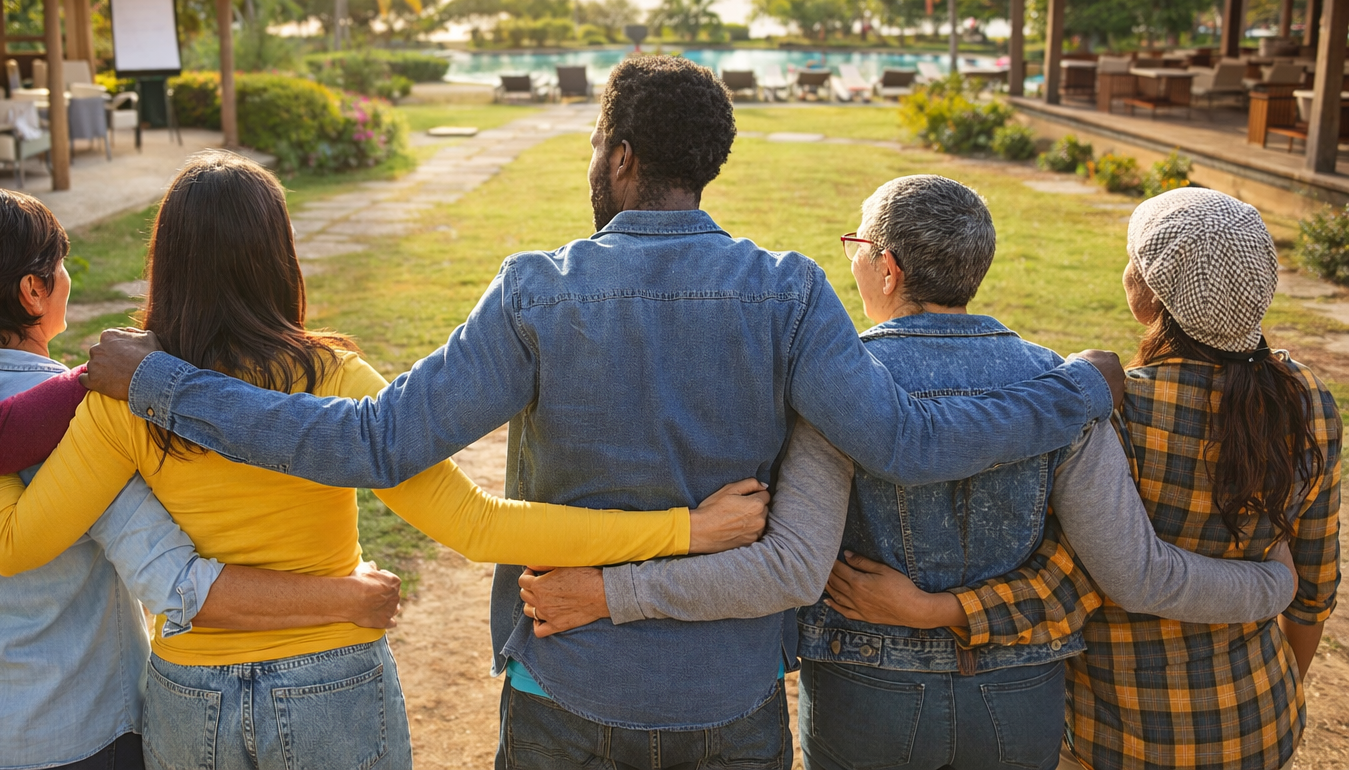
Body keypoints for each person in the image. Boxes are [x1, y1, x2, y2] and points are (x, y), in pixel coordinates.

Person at [72, 55, 1128, 768]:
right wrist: (1074, 388)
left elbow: (372, 441)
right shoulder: (790, 290)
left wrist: (161, 381)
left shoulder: (540, 288)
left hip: (564, 680)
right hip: (731, 692)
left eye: (595, 146)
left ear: (621, 156)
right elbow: (906, 441)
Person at [0, 152, 767, 770]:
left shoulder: (127, 391)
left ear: (167, 257)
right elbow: (478, 526)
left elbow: (11, 541)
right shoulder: (334, 376)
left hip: (192, 693)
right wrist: (685, 528)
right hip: (332, 681)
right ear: (279, 254)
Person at [517, 175, 1299, 770]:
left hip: (871, 695)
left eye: (855, 248)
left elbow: (791, 565)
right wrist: (1272, 586)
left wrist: (614, 591)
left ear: (886, 268)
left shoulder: (841, 385)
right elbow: (1130, 568)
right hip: (1018, 695)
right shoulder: (1062, 389)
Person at [0, 186, 404, 770]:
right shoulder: (83, 422)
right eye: (59, 268)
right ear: (33, 291)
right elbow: (178, 583)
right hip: (72, 733)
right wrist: (348, 596)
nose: (66, 280)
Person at [828, 187, 1340, 770]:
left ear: (1147, 296)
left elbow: (1065, 586)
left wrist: (935, 609)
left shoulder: (1115, 410)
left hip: (1120, 731)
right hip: (1262, 716)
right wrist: (1282, 678)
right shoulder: (1308, 401)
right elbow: (1316, 588)